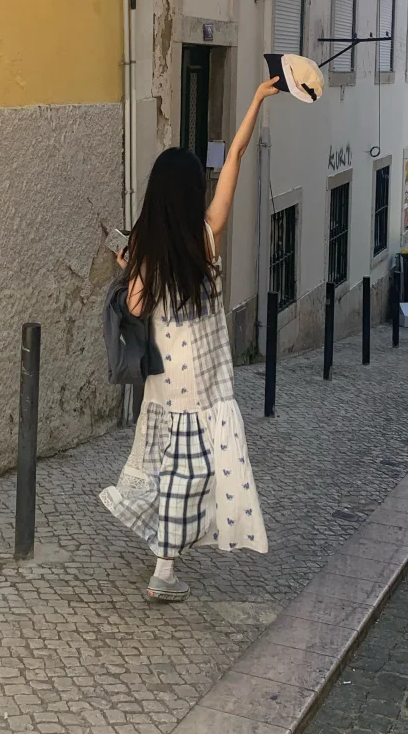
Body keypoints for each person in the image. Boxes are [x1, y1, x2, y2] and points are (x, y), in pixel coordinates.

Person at [100, 77, 280, 602]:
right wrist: (255, 101)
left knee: (168, 464)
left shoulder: (148, 253)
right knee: (192, 469)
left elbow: (136, 308)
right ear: (191, 194)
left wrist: (129, 266)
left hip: (165, 382)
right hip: (206, 381)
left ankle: (164, 561)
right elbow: (236, 157)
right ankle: (164, 569)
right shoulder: (206, 237)